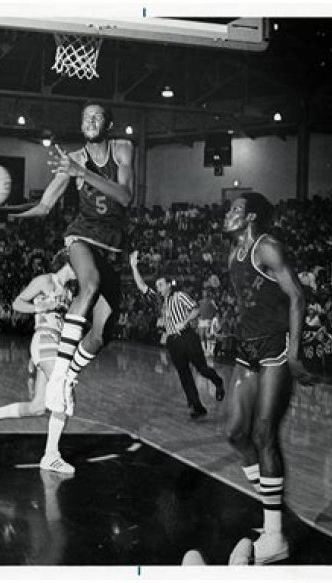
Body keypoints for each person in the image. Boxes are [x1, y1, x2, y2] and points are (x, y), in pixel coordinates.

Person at [10, 101, 134, 418]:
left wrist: (82, 173)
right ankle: (57, 380)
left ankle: (68, 375)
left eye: (96, 116)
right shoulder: (74, 159)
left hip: (112, 246)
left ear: (108, 124)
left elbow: (124, 197)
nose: (90, 121)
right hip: (81, 237)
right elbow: (44, 206)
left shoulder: (122, 148)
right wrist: (4, 212)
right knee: (89, 284)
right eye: (85, 117)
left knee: (101, 335)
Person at [222, 192, 316, 564]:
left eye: (236, 209)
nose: (228, 213)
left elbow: (297, 297)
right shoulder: (233, 252)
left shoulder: (267, 247)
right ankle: (273, 509)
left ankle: (275, 537)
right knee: (235, 433)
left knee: (264, 434)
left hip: (275, 346)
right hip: (247, 347)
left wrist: (295, 352)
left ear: (251, 217)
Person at [0, 250, 78, 473]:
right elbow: (18, 303)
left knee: (38, 407)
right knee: (63, 390)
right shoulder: (45, 281)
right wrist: (42, 307)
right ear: (70, 262)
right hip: (45, 338)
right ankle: (51, 455)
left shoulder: (68, 293)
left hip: (55, 345)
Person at [129, 251, 225, 418]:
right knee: (184, 375)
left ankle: (218, 381)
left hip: (187, 337)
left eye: (160, 285)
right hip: (173, 341)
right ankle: (197, 406)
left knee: (202, 369)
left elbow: (196, 309)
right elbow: (142, 287)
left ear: (169, 285)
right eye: (157, 286)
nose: (158, 288)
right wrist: (133, 267)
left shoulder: (179, 296)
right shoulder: (160, 301)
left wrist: (185, 321)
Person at [197, 288, 218, 355]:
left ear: (207, 293)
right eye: (203, 292)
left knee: (207, 335)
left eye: (205, 292)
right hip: (201, 320)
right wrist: (199, 317)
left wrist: (211, 317)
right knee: (201, 335)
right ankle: (204, 350)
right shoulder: (200, 301)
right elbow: (198, 310)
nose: (204, 293)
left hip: (208, 320)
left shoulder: (211, 300)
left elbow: (216, 309)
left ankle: (209, 350)